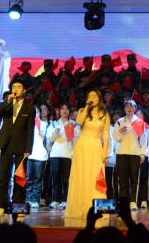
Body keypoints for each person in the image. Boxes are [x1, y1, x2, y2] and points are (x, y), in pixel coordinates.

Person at [64, 89, 110, 218]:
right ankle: (79, 207)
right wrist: (86, 107)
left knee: (94, 175)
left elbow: (106, 135)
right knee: (81, 175)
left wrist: (104, 152)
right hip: (82, 146)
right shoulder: (82, 111)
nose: (92, 98)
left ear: (99, 98)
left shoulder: (104, 114)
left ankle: (95, 207)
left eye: (94, 96)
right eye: (90, 96)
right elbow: (79, 122)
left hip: (95, 146)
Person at [0, 79, 36, 211]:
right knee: (4, 175)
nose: (16, 89)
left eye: (18, 87)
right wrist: (7, 101)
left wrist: (28, 148)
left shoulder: (29, 108)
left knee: (19, 176)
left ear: (24, 90)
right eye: (14, 87)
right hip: (6, 143)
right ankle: (2, 202)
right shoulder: (7, 104)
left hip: (21, 145)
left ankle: (18, 202)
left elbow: (30, 129)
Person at [112, 100, 147, 210]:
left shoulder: (139, 122)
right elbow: (116, 138)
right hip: (121, 153)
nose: (129, 109)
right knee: (122, 179)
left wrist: (142, 153)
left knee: (134, 178)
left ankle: (133, 202)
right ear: (124, 109)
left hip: (135, 153)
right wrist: (121, 132)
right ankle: (123, 202)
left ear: (135, 108)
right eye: (127, 106)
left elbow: (143, 140)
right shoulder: (119, 122)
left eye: (132, 107)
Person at [48, 101, 79, 210]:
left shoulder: (73, 125)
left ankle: (65, 200)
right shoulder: (53, 124)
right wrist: (56, 133)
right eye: (62, 109)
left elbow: (77, 140)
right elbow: (50, 139)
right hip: (55, 154)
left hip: (67, 154)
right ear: (59, 111)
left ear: (69, 111)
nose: (64, 111)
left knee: (66, 179)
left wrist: (71, 137)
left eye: (66, 109)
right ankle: (55, 200)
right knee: (55, 178)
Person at [26, 105, 50, 209]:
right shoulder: (27, 125)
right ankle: (28, 198)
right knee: (28, 178)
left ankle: (35, 200)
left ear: (39, 113)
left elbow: (49, 140)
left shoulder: (45, 125)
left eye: (36, 112)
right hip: (29, 155)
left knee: (37, 179)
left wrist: (43, 136)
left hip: (40, 156)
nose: (34, 114)